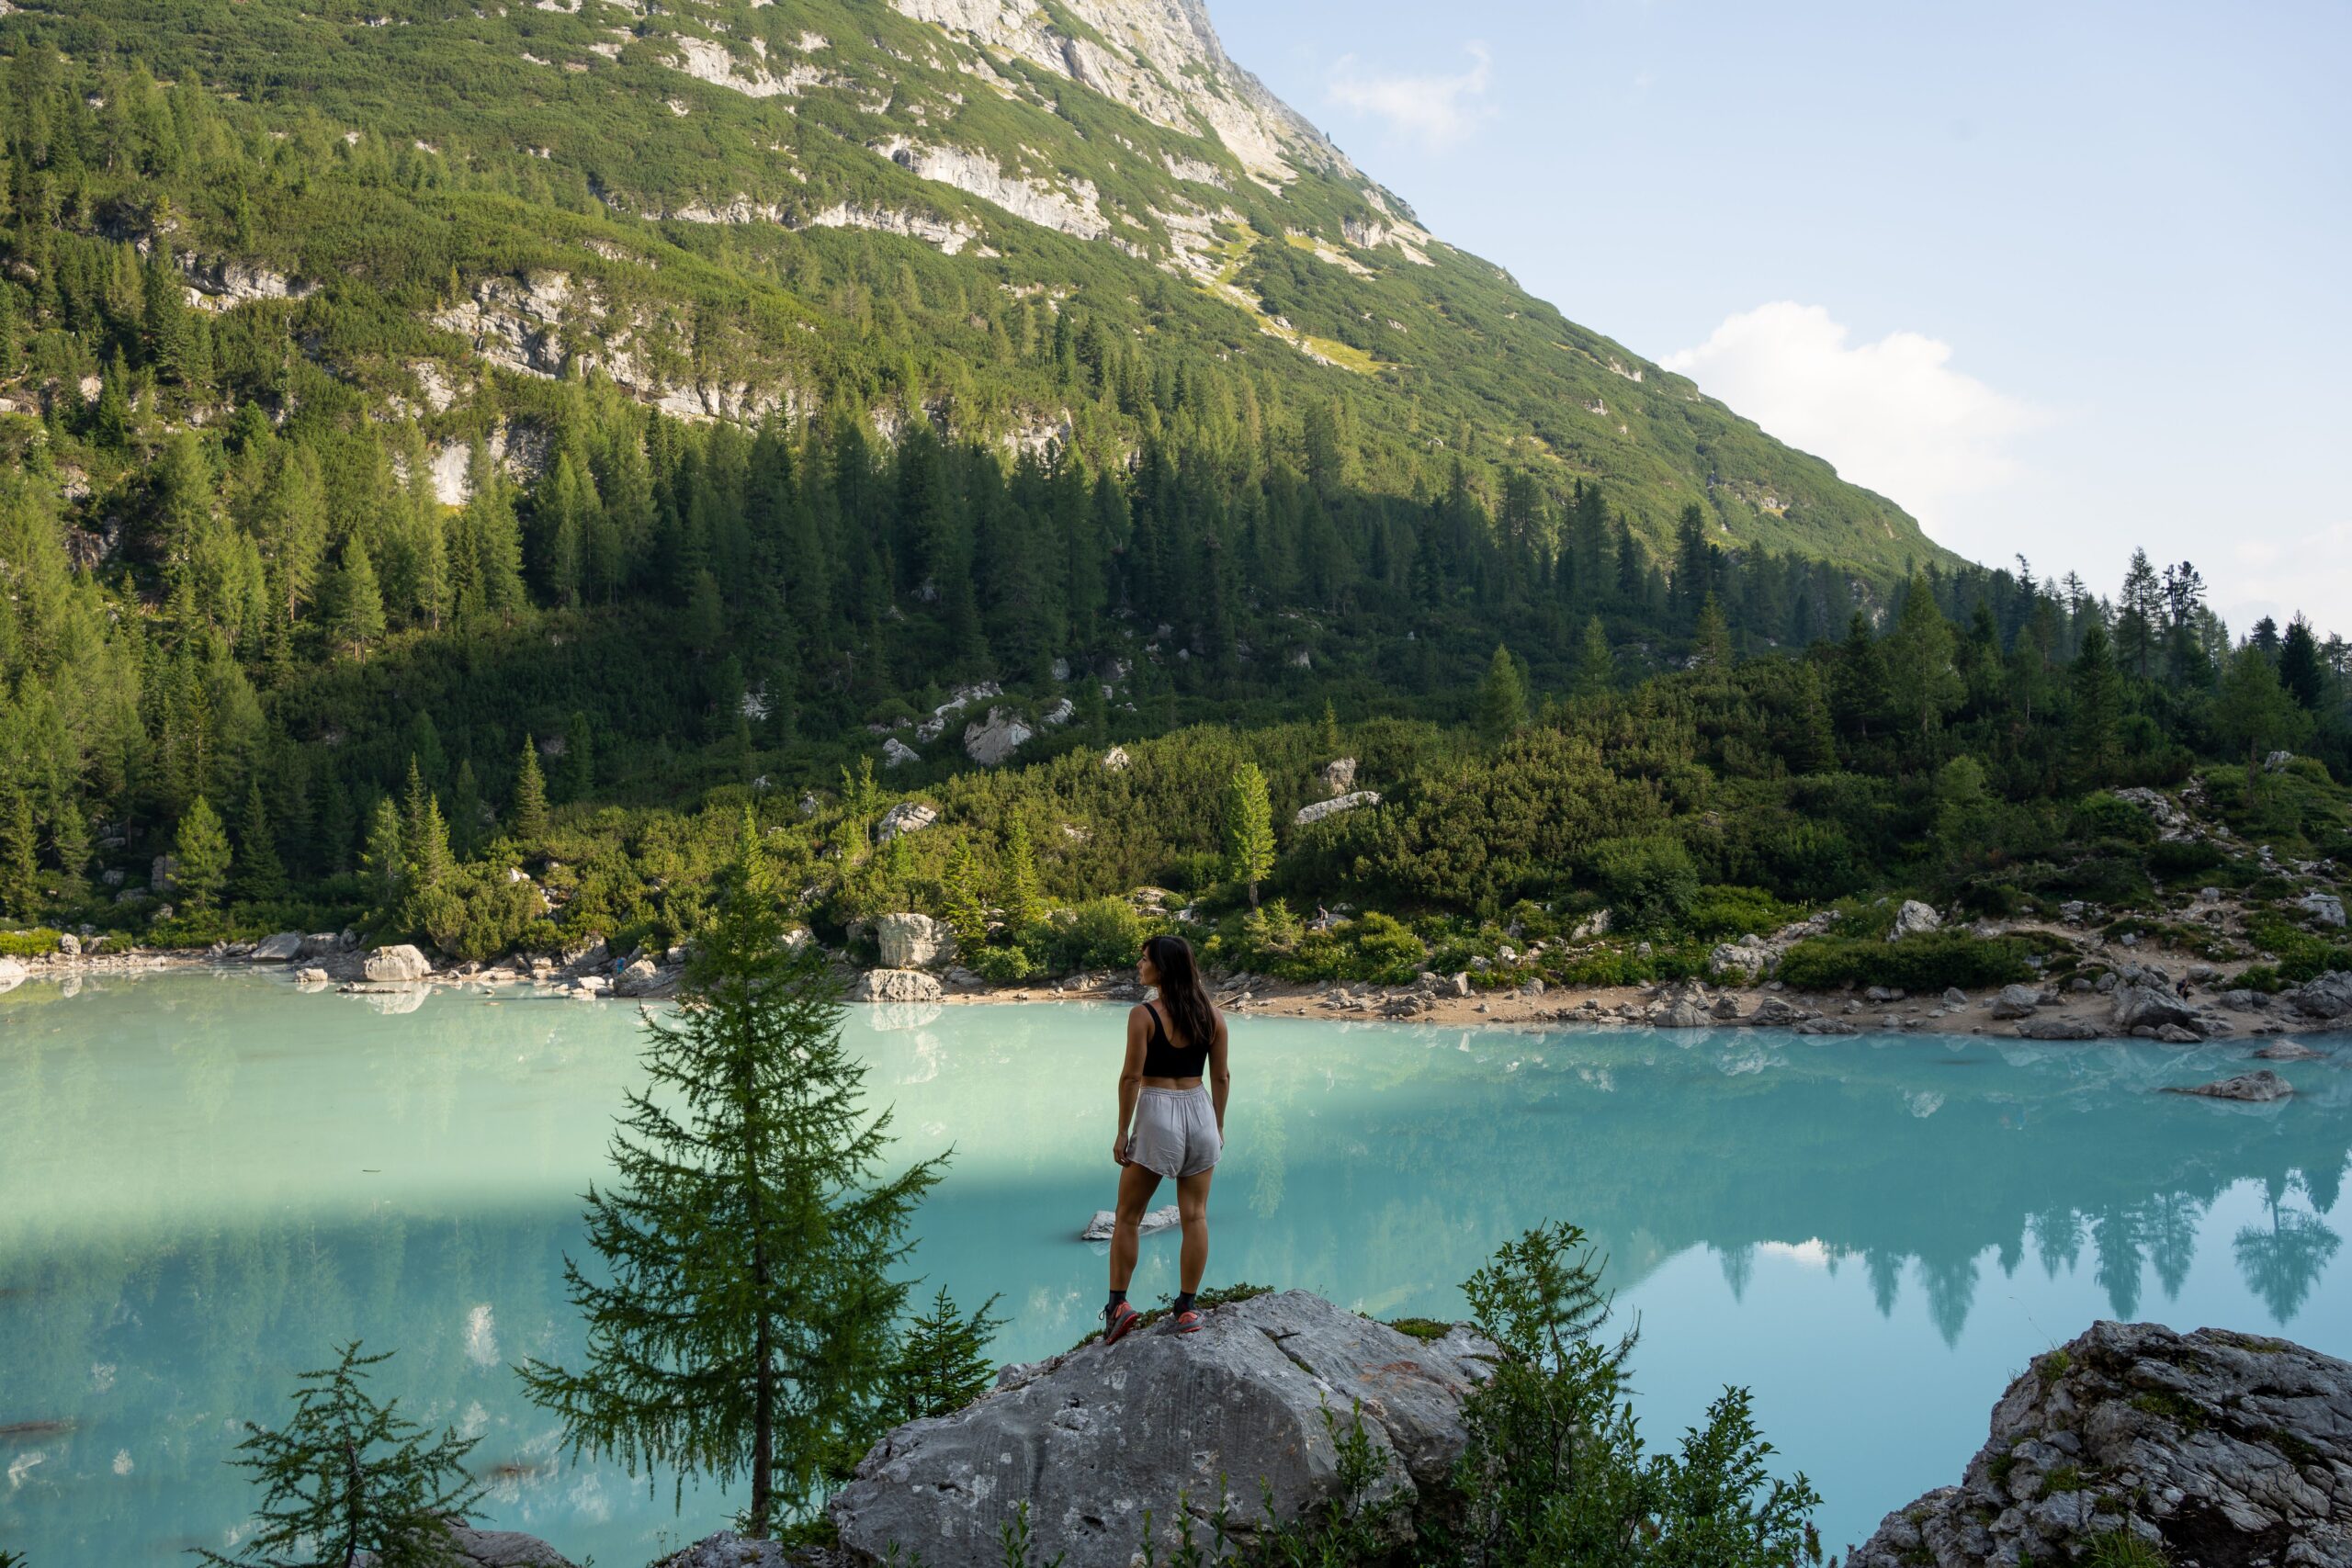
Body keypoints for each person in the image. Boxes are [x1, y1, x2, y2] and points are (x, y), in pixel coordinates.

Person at [1102, 934, 1230, 1343]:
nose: (1139, 966)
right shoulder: (1213, 1016)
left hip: (1159, 1112)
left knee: (1127, 1216)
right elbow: (1222, 1077)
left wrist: (1123, 1130)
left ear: (1163, 968)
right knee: (1195, 1216)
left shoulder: (1144, 1015)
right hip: (1200, 1110)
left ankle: (1118, 1305)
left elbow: (1131, 1077)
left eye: (1144, 960)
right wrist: (1219, 1125)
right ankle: (1187, 1309)